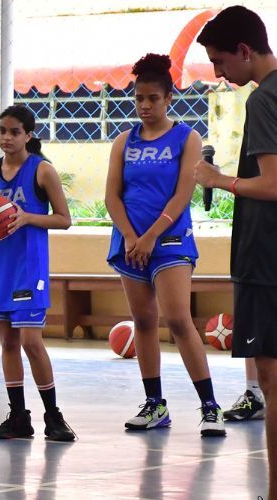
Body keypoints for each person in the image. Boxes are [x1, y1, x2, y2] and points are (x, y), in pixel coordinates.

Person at [105, 53, 225, 436]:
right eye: (139, 98)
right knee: (143, 320)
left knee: (177, 319)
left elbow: (182, 195)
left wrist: (151, 236)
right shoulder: (123, 141)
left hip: (169, 239)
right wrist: (129, 236)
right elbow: (112, 197)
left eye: (152, 98)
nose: (144, 105)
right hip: (130, 241)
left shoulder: (187, 137)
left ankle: (210, 406)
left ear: (168, 98)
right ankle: (155, 404)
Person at [195, 6, 277, 495]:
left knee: (270, 378)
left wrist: (218, 179)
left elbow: (272, 184)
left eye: (220, 60)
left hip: (266, 259)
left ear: (245, 51)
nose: (219, 73)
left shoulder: (263, 101)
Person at [0, 105, 75, 442]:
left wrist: (28, 217)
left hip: (28, 267)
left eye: (14, 131)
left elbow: (64, 218)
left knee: (32, 342)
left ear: (29, 135)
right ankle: (19, 416)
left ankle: (54, 415)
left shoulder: (41, 170)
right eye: (2, 130)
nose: (6, 137)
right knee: (7, 342)